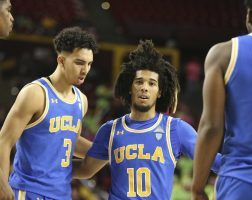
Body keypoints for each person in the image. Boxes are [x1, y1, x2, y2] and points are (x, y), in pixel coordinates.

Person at [73, 40, 221, 200]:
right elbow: (86, 168)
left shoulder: (175, 129)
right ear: (130, 88)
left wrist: (247, 166)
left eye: (152, 83)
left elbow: (214, 161)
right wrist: (47, 164)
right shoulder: (110, 130)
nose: (144, 87)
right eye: (139, 82)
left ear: (159, 92)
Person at [0, 27, 98, 200]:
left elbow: (68, 140)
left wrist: (107, 149)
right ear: (61, 60)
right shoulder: (35, 93)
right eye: (79, 62)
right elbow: (4, 141)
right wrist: (2, 184)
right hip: (28, 191)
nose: (85, 70)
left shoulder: (81, 100)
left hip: (60, 193)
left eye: (89, 64)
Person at [191, 0, 252, 199]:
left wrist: (198, 188)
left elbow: (211, 127)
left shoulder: (223, 54)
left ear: (249, 16)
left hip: (241, 181)